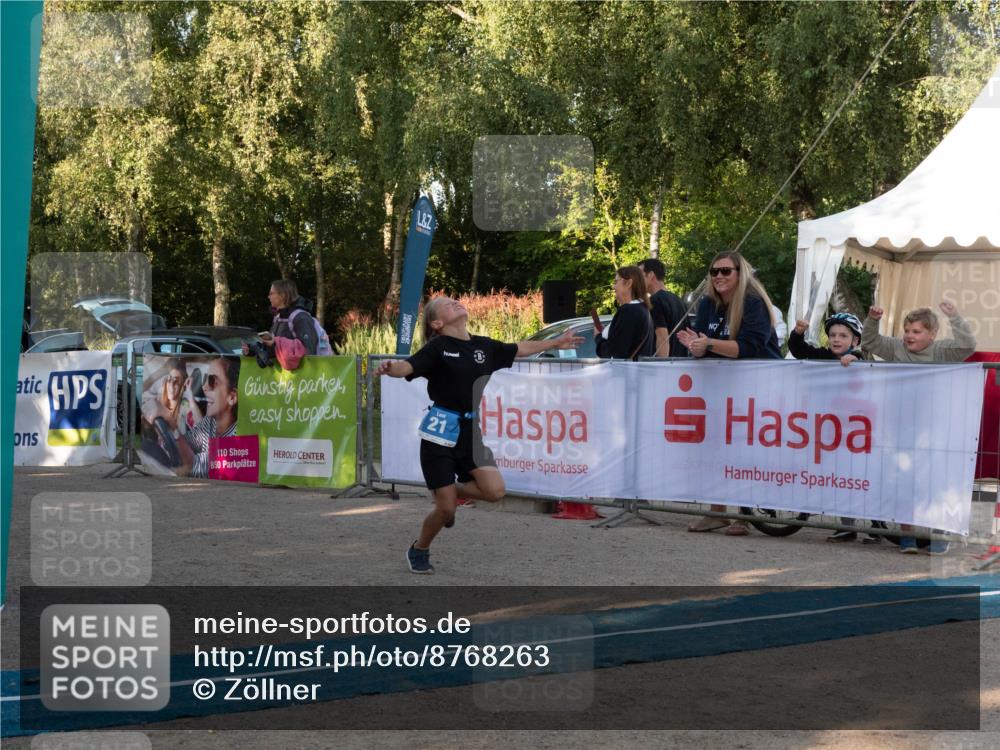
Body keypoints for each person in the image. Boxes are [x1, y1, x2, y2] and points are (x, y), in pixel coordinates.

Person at [376, 296, 582, 574]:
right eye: (448, 304)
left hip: (471, 432)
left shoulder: (483, 345)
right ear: (437, 323)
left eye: (455, 301)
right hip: (439, 433)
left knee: (495, 491)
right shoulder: (437, 348)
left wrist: (555, 343)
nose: (456, 303)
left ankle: (449, 489)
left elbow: (520, 348)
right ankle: (419, 549)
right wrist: (391, 368)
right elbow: (407, 367)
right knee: (447, 511)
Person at [677, 250, 782, 535]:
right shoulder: (709, 303)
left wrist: (707, 344)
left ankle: (744, 515)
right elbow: (701, 342)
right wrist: (697, 347)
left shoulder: (752, 302)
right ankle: (716, 512)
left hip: (759, 388)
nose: (719, 276)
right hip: (721, 389)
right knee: (715, 448)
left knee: (748, 451)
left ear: (740, 273)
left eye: (726, 271)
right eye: (714, 272)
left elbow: (748, 347)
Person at [863, 300, 977, 555]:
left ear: (932, 334)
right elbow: (869, 342)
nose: (909, 336)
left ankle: (938, 534)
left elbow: (968, 345)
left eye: (916, 332)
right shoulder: (895, 348)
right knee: (905, 483)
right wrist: (872, 319)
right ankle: (908, 537)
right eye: (907, 331)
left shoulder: (942, 351)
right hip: (900, 428)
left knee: (935, 483)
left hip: (936, 430)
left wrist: (955, 316)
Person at [789, 312, 886, 543]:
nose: (836, 339)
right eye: (832, 334)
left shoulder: (860, 357)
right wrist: (798, 333)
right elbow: (799, 350)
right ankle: (847, 526)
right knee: (841, 478)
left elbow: (864, 368)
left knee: (862, 479)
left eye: (843, 335)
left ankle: (877, 526)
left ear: (855, 340)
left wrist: (855, 359)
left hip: (857, 432)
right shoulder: (823, 355)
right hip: (831, 430)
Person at [176, 357, 240, 479]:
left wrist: (168, 422)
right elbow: (189, 442)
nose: (204, 387)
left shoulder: (239, 433)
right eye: (205, 380)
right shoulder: (210, 422)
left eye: (212, 381)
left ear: (232, 398)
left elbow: (195, 465)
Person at [595, 266, 655, 361]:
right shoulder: (642, 309)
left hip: (624, 373)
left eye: (616, 282)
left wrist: (598, 337)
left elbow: (615, 352)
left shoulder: (628, 311)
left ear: (628, 283)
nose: (614, 287)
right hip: (636, 372)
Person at [139, 358, 189, 468]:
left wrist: (168, 417)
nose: (172, 384)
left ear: (183, 385)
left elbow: (183, 445)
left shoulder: (185, 409)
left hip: (174, 461)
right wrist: (163, 370)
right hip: (159, 461)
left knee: (147, 446)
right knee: (146, 445)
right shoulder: (160, 401)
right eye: (169, 379)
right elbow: (141, 389)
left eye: (176, 381)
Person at [639, 258, 689, 358]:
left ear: (651, 275)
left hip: (665, 368)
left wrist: (660, 367)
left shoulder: (654, 301)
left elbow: (662, 338)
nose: (638, 281)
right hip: (680, 365)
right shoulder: (679, 301)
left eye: (640, 276)